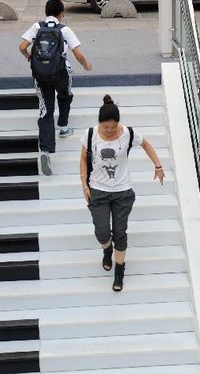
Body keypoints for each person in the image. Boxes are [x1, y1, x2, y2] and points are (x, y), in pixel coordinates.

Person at [80, 95, 165, 292]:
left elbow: (146, 144)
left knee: (120, 232)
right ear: (99, 123)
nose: (109, 131)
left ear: (118, 123)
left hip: (122, 192)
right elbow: (83, 159)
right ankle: (106, 248)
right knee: (101, 231)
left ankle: (120, 270)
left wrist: (158, 165)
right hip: (98, 190)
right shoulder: (91, 134)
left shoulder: (128, 133)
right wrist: (84, 185)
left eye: (112, 127)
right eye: (105, 128)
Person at [19, 0, 92, 176]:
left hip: (41, 74)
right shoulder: (65, 29)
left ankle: (45, 151)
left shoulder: (37, 27)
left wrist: (31, 59)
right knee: (65, 95)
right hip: (61, 72)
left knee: (45, 112)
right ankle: (64, 126)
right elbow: (78, 54)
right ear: (62, 13)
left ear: (46, 13)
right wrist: (86, 65)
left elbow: (22, 47)